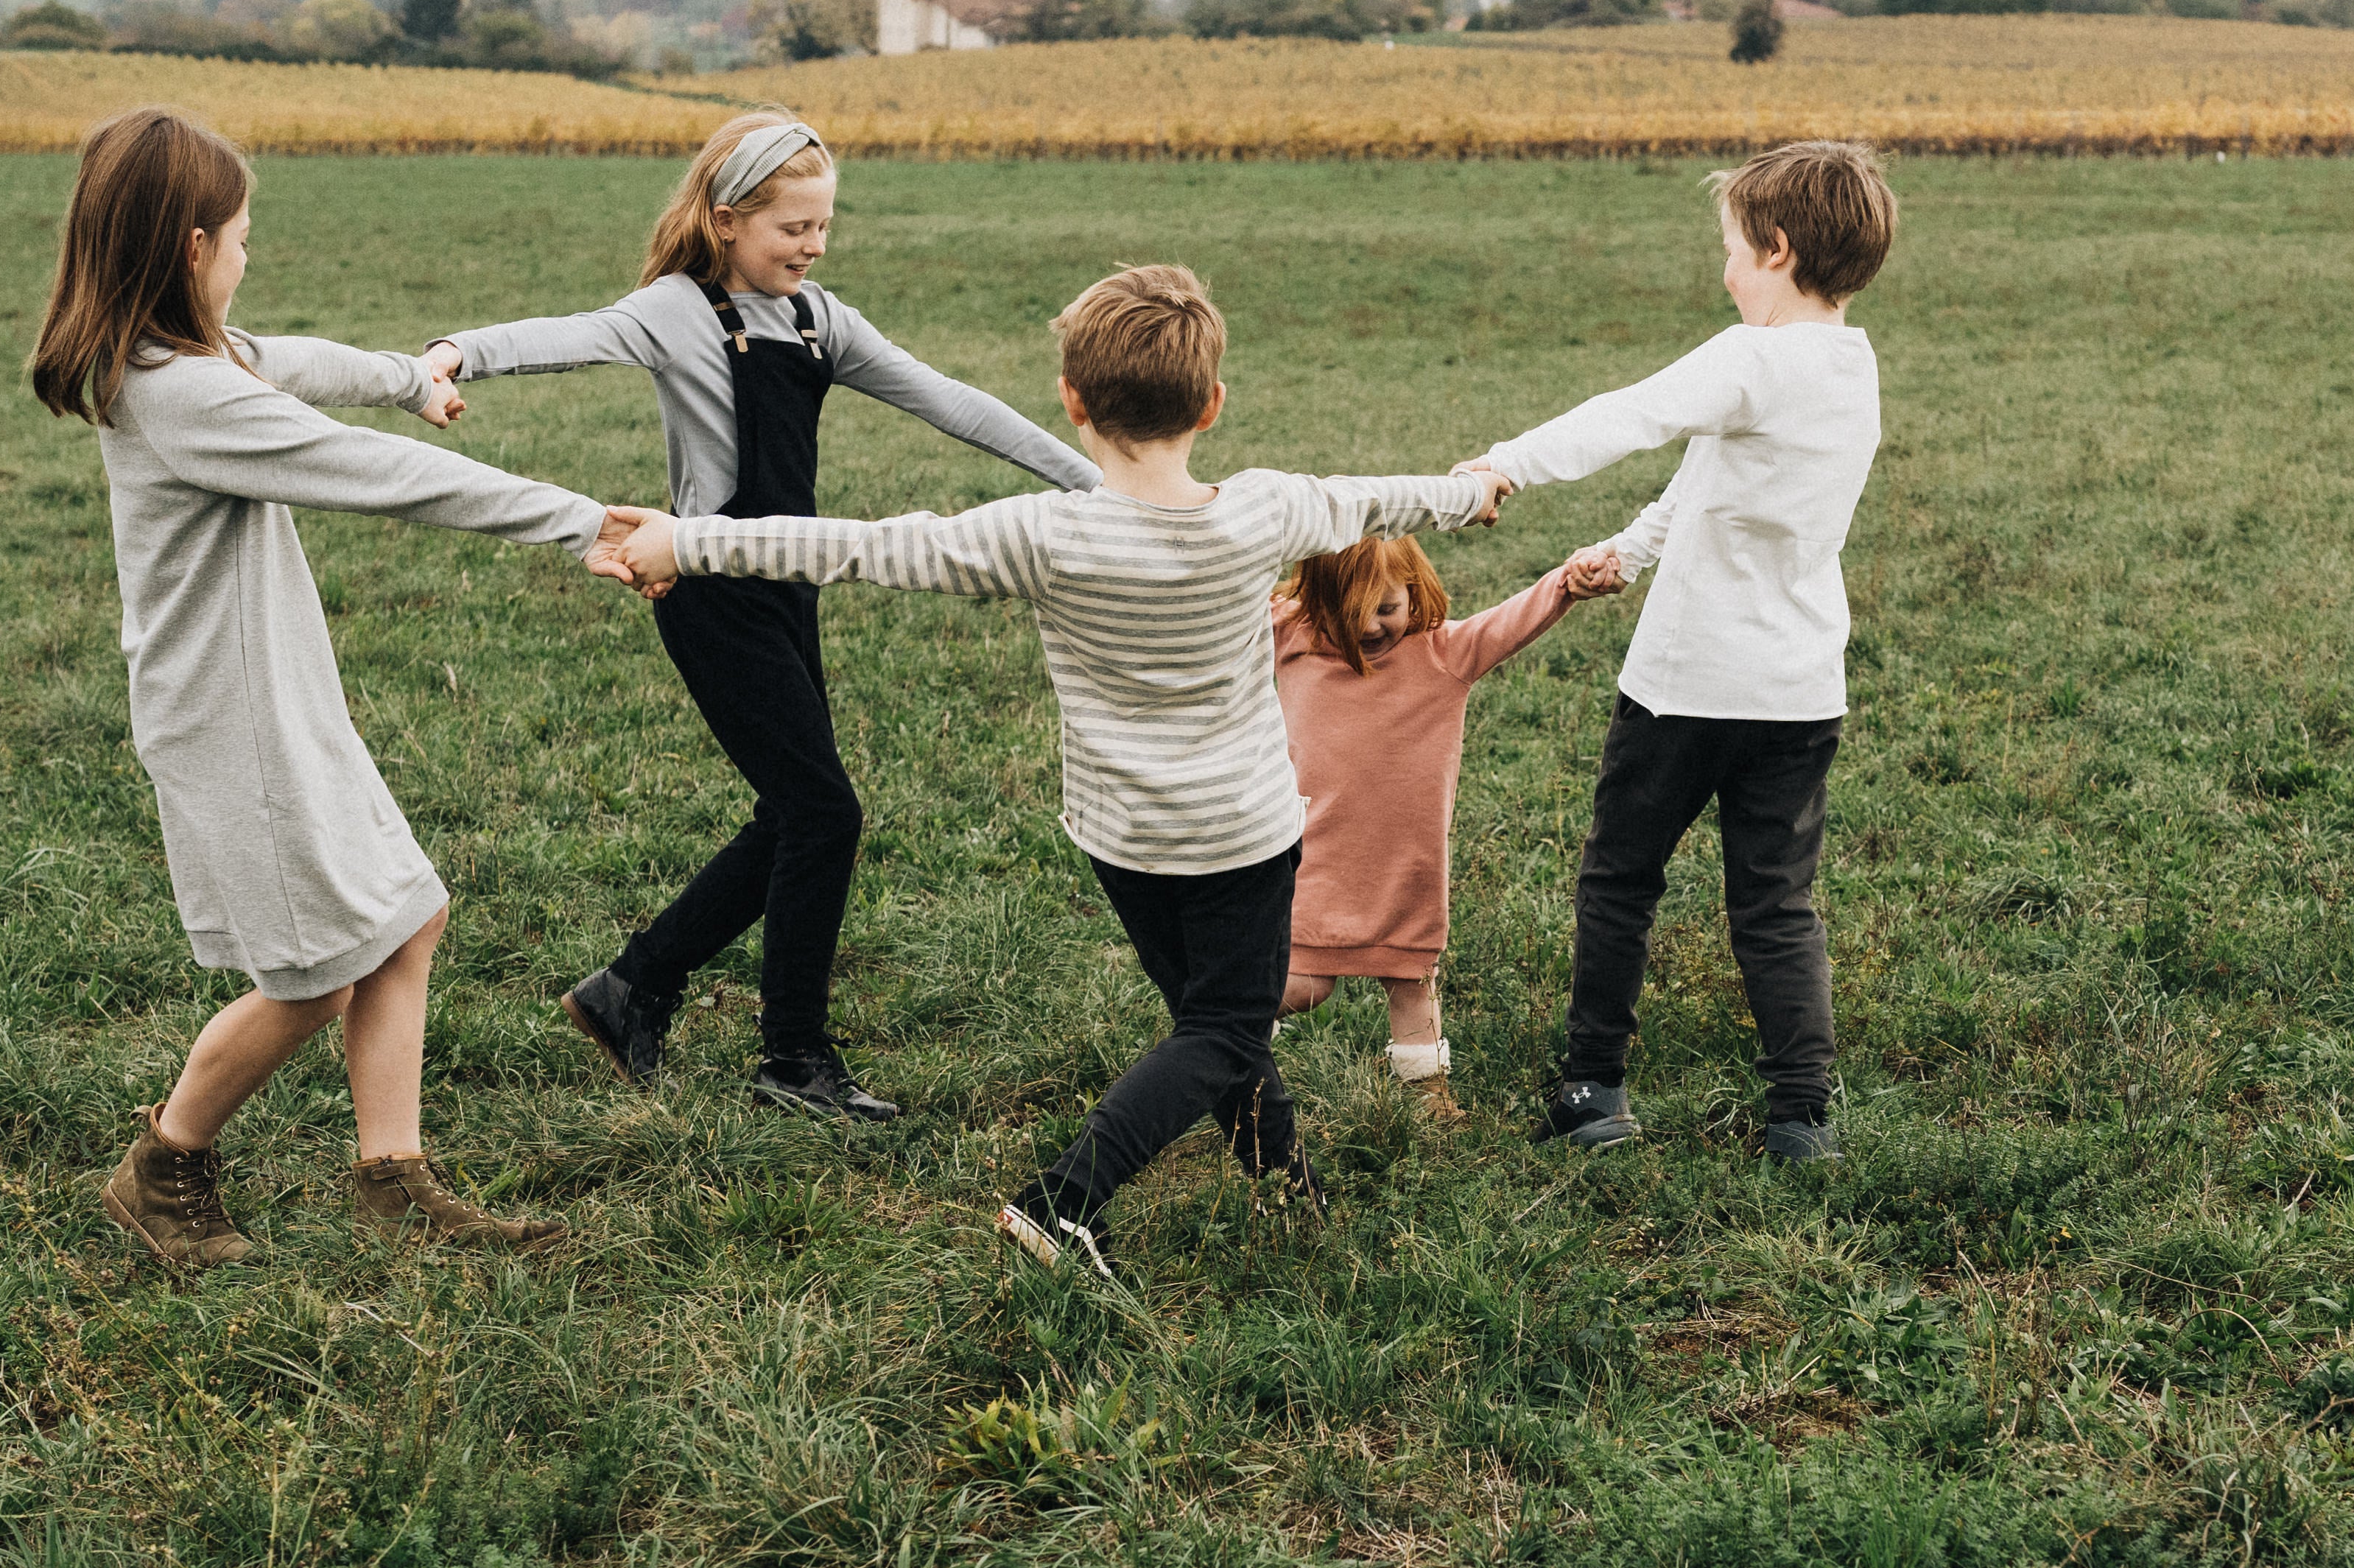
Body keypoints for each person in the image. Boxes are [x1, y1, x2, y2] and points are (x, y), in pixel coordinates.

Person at [615, 265, 1507, 1275]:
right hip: (1239, 836)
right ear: (1213, 405)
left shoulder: (1040, 532)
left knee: (1205, 1020)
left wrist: (686, 538)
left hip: (1121, 838)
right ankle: (1061, 1203)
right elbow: (1387, 496)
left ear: (1072, 402)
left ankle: (1284, 1178)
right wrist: (1475, 490)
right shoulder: (1267, 511)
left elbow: (861, 547)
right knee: (1222, 1024)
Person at [27, 106, 645, 1264]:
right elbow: (378, 475)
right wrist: (576, 521)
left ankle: (392, 1181)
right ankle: (165, 1165)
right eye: (244, 236)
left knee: (406, 919)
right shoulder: (185, 398)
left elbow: (299, 359)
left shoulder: (195, 358)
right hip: (232, 725)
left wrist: (409, 374)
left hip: (279, 706)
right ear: (193, 249)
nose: (250, 256)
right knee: (313, 976)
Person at [424, 110, 1100, 1124]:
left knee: (795, 813)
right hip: (707, 591)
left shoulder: (820, 319)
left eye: (824, 228)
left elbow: (950, 400)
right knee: (822, 813)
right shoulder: (675, 311)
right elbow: (566, 338)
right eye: (793, 229)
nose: (812, 247)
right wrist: (451, 354)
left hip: (790, 585)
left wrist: (1097, 481)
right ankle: (793, 1057)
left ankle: (634, 986)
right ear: (727, 219)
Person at [1466, 139, 1895, 1164]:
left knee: (1621, 880)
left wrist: (1502, 465)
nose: (1724, 270)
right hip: (1798, 694)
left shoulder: (1751, 358)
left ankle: (1593, 1090)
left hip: (1686, 688)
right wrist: (1629, 550)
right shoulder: (1849, 365)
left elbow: (1635, 415)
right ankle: (1800, 1114)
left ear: (1777, 248)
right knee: (1775, 902)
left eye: (1731, 250)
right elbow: (1715, 475)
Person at [1270, 533, 1622, 1121]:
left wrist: (1564, 582)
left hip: (1404, 865)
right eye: (1351, 612)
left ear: (1415, 591)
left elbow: (1508, 623)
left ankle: (1427, 1096)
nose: (1371, 626)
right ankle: (1227, 1048)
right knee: (1303, 985)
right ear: (1319, 600)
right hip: (1315, 857)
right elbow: (1219, 589)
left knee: (1411, 981)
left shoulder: (1442, 652)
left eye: (1387, 607)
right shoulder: (1292, 636)